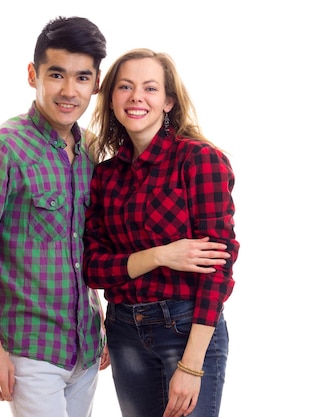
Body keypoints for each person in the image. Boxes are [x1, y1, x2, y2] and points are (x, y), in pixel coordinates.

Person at [0, 16, 109, 417]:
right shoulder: (2, 150)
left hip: (85, 348)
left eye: (82, 78)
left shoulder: (91, 150)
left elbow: (82, 247)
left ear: (97, 83)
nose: (69, 91)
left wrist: (100, 320)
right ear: (32, 74)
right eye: (56, 75)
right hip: (30, 349)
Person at [83, 48, 239, 417]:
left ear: (168, 101)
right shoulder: (105, 176)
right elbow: (92, 267)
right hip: (123, 332)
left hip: (186, 329)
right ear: (112, 99)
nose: (137, 96)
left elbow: (218, 270)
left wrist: (191, 364)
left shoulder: (200, 160)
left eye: (150, 88)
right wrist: (161, 255)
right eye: (125, 86)